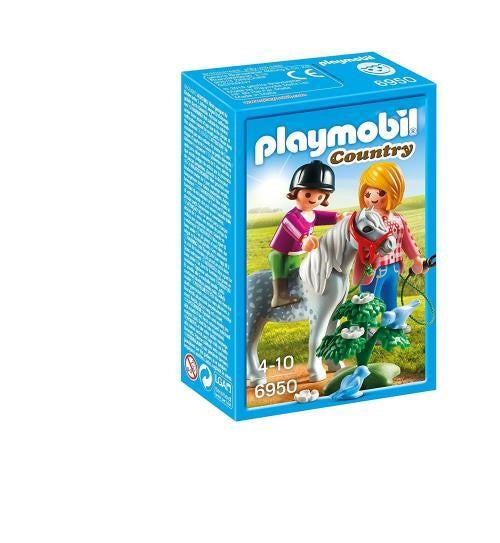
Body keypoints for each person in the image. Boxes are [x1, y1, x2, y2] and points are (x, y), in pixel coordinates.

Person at [354, 162, 426, 312]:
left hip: (394, 267)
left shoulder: (399, 219)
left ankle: (393, 321)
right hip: (374, 268)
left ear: (394, 192)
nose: (373, 198)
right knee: (369, 302)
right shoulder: (365, 221)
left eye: (381, 193)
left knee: (390, 298)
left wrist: (416, 259)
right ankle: (367, 324)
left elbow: (407, 241)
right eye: (367, 194)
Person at [269, 160, 340, 308]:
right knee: (281, 269)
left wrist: (338, 217)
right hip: (282, 255)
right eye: (308, 194)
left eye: (320, 197)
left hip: (297, 254)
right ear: (296, 192)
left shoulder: (311, 213)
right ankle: (279, 296)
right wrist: (304, 239)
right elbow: (294, 226)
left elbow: (324, 217)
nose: (314, 199)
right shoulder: (291, 216)